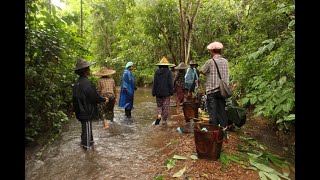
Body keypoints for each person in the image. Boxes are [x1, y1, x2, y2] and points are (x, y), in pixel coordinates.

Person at [72, 58, 107, 150]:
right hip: (86, 112)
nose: (89, 70)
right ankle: (87, 151)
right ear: (84, 71)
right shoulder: (86, 83)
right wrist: (104, 99)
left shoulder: (78, 82)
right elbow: (94, 97)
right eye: (88, 68)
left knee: (86, 130)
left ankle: (88, 145)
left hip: (80, 111)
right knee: (87, 130)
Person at [199, 41, 230, 139]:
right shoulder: (226, 61)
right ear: (220, 51)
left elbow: (202, 71)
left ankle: (214, 134)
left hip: (212, 91)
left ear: (212, 51)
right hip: (223, 91)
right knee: (222, 111)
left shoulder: (210, 62)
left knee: (213, 112)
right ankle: (224, 133)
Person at [152, 57, 174, 125]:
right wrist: (171, 91)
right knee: (166, 106)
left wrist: (153, 92)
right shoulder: (169, 72)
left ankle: (159, 115)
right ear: (167, 65)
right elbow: (170, 83)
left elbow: (155, 83)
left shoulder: (156, 72)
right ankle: (164, 121)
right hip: (166, 93)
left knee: (159, 106)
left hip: (158, 92)